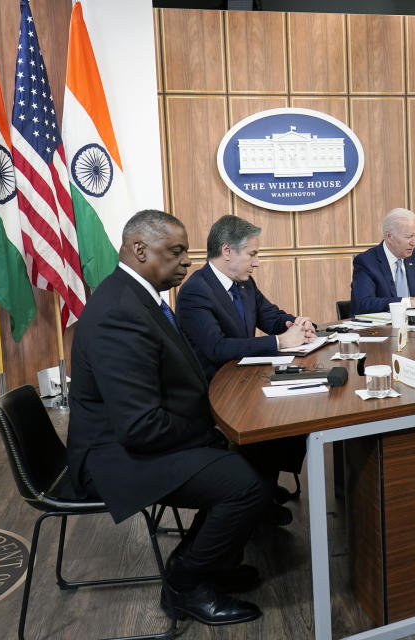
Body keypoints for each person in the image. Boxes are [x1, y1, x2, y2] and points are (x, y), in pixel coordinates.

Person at [67, 210, 267, 627]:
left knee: (251, 458)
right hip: (113, 456)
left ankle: (213, 561)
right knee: (244, 483)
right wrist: (206, 429)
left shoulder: (138, 296)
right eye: (176, 252)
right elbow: (140, 427)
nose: (187, 262)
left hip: (135, 437)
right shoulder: (119, 311)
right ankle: (184, 582)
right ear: (140, 249)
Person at [176, 214, 314, 523]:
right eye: (252, 254)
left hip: (245, 378)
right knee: (272, 415)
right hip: (213, 390)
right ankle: (256, 499)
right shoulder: (195, 291)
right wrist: (280, 342)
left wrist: (297, 324)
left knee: (295, 410)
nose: (257, 262)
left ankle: (262, 488)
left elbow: (270, 316)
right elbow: (216, 348)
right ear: (228, 251)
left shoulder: (244, 283)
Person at [350, 208, 415, 315]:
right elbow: (364, 304)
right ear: (389, 236)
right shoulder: (366, 262)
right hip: (379, 330)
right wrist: (410, 302)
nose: (414, 243)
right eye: (408, 236)